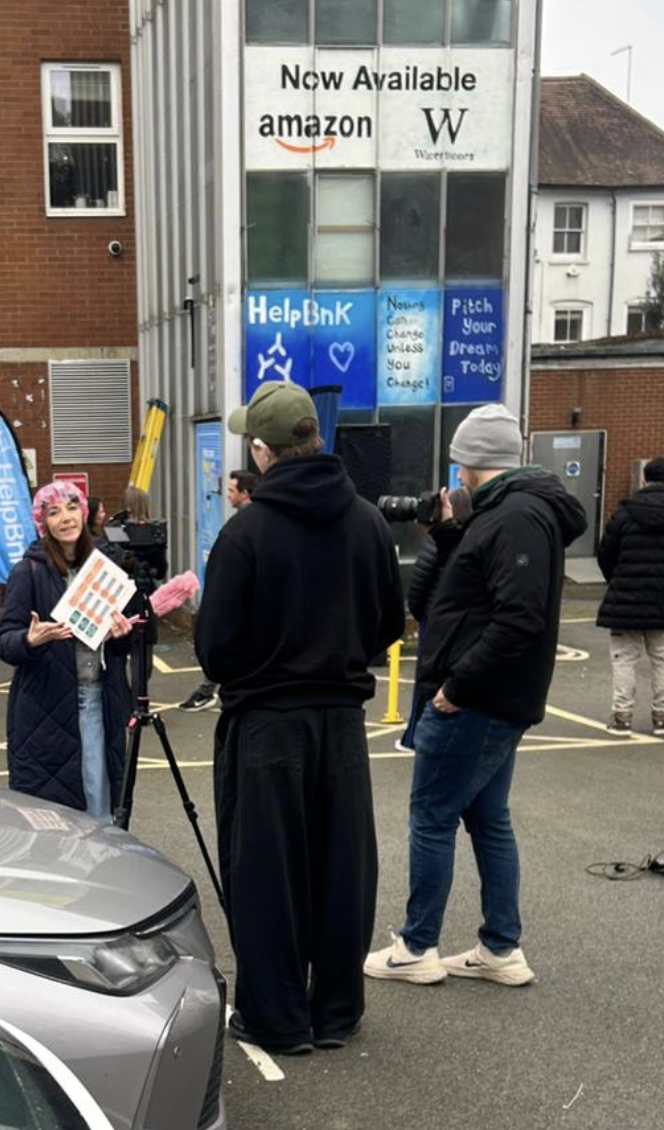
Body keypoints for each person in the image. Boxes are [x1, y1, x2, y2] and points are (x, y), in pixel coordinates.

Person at [194, 381, 404, 1055]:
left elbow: (216, 648)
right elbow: (383, 625)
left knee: (266, 873)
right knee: (342, 867)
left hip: (266, 724)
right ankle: (337, 1010)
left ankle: (276, 1016)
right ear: (314, 439)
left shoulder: (245, 532)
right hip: (341, 722)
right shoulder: (367, 521)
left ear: (261, 451)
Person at [364, 403, 587, 988]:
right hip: (494, 699)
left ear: (471, 459)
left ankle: (417, 947)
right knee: (489, 820)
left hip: (475, 700)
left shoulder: (515, 518)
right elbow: (433, 603)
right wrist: (447, 532)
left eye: (459, 459)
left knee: (432, 818)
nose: (454, 472)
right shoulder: (502, 515)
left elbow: (519, 619)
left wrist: (454, 691)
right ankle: (499, 949)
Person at [0, 481, 133, 820]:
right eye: (53, 512)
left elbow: (122, 643)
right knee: (55, 815)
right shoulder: (29, 571)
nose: (65, 518)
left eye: (72, 508)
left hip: (102, 701)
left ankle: (103, 871)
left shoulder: (107, 567)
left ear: (84, 513)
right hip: (46, 708)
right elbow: (3, 641)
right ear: (44, 524)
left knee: (103, 806)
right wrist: (30, 640)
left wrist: (122, 636)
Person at [396, 488, 472, 753]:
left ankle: (414, 736)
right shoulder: (473, 537)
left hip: (435, 617)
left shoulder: (438, 539)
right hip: (459, 620)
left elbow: (419, 584)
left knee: (426, 680)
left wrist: (420, 615)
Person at [179, 470, 258, 713]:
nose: (227, 496)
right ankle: (207, 690)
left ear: (245, 494)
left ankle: (206, 691)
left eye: (232, 491)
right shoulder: (248, 523)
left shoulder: (245, 526)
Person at [596, 456, 664, 736]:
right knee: (662, 657)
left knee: (624, 659)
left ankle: (622, 716)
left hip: (626, 598)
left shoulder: (625, 513)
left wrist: (617, 580)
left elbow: (605, 554)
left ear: (643, 480)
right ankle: (662, 718)